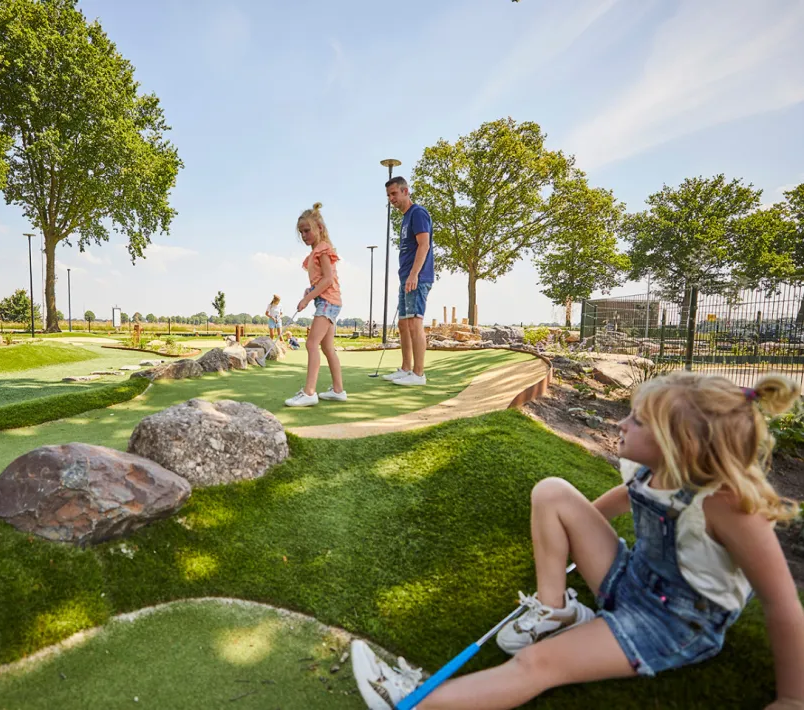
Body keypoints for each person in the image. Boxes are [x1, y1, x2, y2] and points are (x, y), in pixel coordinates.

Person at [351, 371, 804, 709]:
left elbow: (783, 604)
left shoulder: (728, 508)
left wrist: (793, 699)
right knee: (553, 492)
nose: (622, 424)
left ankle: (411, 701)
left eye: (637, 421)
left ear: (677, 443)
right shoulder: (653, 470)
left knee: (539, 666)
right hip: (631, 578)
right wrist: (577, 532)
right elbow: (611, 503)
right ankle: (555, 611)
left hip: (673, 625)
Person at [284, 202, 347, 407]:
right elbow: (321, 281)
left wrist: (307, 299)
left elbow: (328, 280)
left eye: (307, 230)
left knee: (311, 344)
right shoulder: (314, 253)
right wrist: (310, 291)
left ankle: (309, 392)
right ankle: (338, 390)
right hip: (326, 300)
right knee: (327, 347)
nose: (304, 235)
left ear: (319, 228)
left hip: (328, 302)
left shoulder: (323, 250)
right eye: (301, 232)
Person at [382, 176, 434, 386]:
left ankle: (419, 374)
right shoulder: (405, 218)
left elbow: (424, 245)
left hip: (417, 277)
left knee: (414, 322)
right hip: (406, 277)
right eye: (388, 196)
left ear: (405, 191)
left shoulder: (418, 213)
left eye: (394, 193)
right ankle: (406, 368)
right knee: (403, 324)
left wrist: (413, 275)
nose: (391, 199)